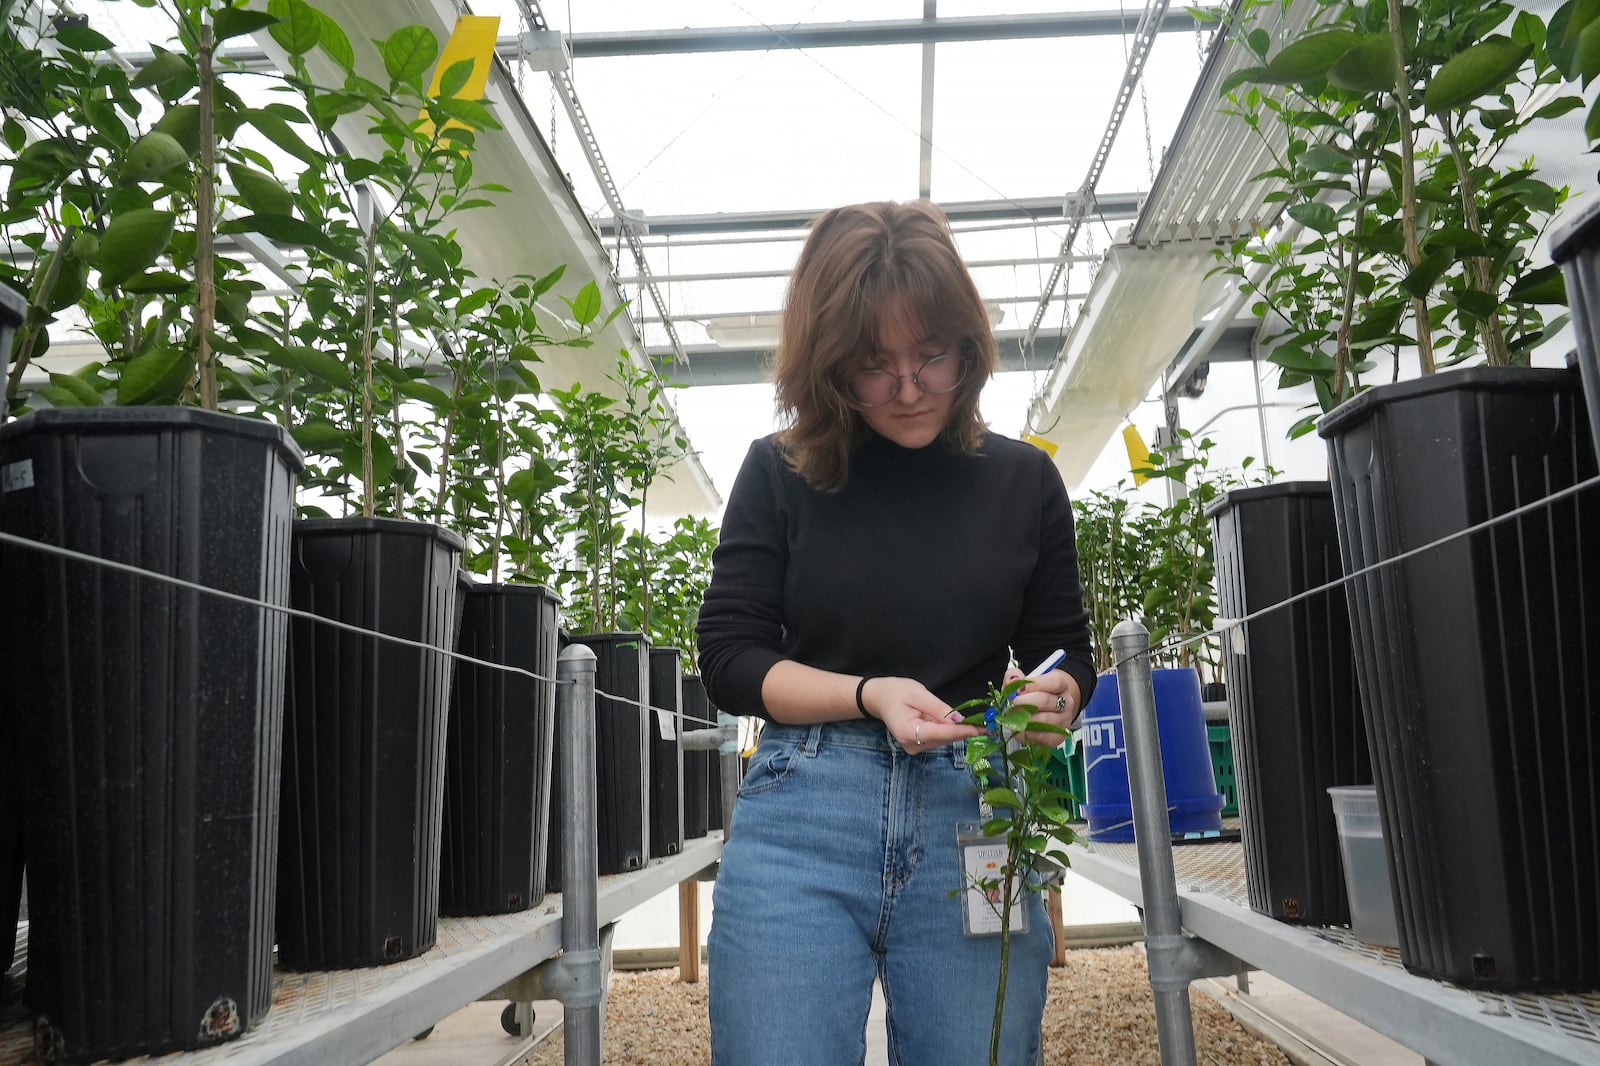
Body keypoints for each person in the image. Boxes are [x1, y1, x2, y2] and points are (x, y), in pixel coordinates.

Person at [696, 199, 1096, 1066]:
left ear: (969, 345)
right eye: (874, 367)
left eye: (933, 357)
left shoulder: (1023, 480)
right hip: (806, 809)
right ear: (828, 365)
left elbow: (1067, 653)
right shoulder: (780, 471)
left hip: (976, 813)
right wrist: (867, 694)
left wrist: (1052, 696)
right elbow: (729, 658)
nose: (910, 389)